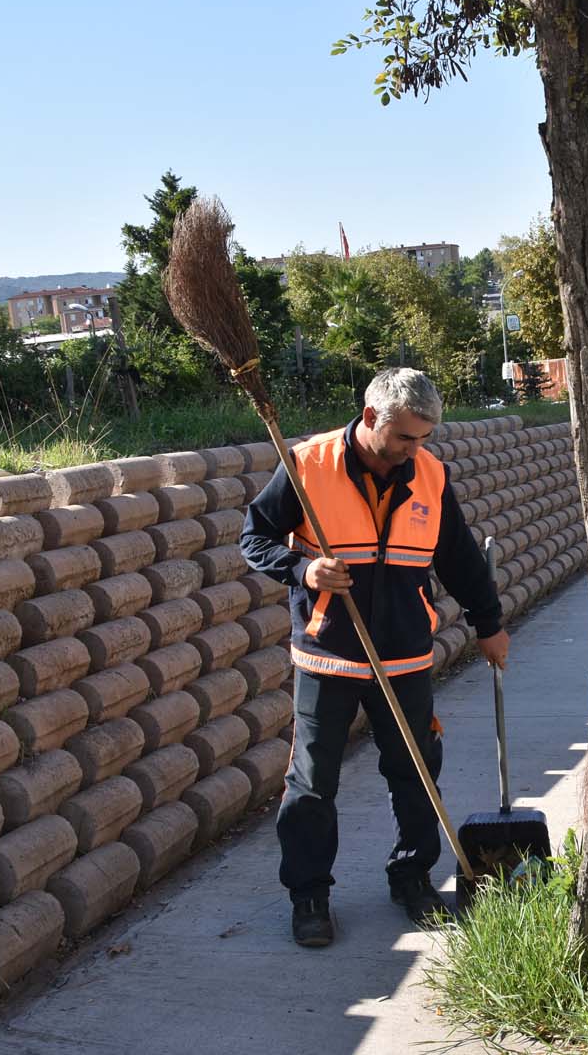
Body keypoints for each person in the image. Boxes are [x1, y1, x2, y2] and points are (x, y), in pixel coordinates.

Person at [241, 367, 509, 946]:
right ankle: (309, 894)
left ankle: (413, 876)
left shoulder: (430, 475)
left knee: (417, 770)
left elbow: (458, 555)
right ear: (370, 419)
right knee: (312, 781)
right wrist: (304, 569)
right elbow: (254, 537)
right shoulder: (306, 466)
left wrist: (489, 624)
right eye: (406, 438)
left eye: (424, 439)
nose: (415, 450)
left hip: (405, 655)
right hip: (329, 655)